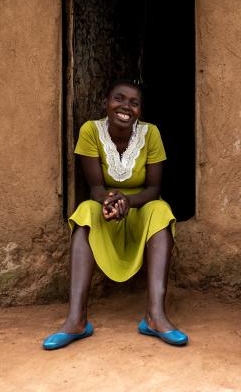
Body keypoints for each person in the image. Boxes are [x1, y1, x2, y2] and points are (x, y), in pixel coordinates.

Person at [42, 79, 188, 349]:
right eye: (119, 99)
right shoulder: (90, 131)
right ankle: (76, 320)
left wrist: (128, 202)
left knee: (161, 210)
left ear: (140, 111)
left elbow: (154, 188)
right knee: (85, 211)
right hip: (106, 210)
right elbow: (95, 187)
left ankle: (155, 316)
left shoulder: (151, 133)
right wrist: (111, 203)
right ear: (105, 103)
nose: (125, 107)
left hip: (140, 209)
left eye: (134, 103)